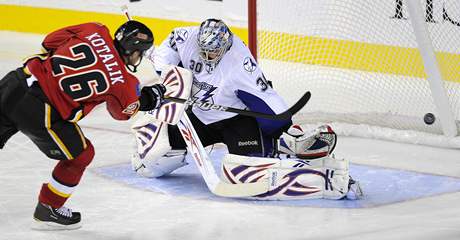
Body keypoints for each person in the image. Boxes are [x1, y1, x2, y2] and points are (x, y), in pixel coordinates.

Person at [0, 20, 166, 230]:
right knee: (82, 155)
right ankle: (49, 206)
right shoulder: (124, 82)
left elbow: (49, 41)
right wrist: (149, 98)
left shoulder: (95, 29)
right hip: (41, 111)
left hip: (17, 81)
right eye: (139, 53)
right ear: (134, 51)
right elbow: (122, 112)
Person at [130, 18, 337, 179]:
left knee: (250, 171)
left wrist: (280, 124)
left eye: (213, 52)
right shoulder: (187, 37)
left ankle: (285, 144)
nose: (207, 56)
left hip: (236, 121)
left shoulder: (240, 62)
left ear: (226, 45)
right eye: (204, 51)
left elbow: (263, 96)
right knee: (156, 157)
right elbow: (168, 49)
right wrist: (171, 73)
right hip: (201, 118)